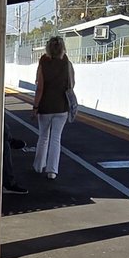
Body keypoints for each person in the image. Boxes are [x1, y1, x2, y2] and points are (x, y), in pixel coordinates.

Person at [32, 36, 74, 180]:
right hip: (62, 106)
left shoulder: (44, 61)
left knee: (43, 137)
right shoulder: (66, 61)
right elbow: (71, 84)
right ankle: (52, 171)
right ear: (62, 48)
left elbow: (40, 88)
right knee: (56, 138)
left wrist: (35, 107)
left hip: (45, 106)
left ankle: (38, 166)